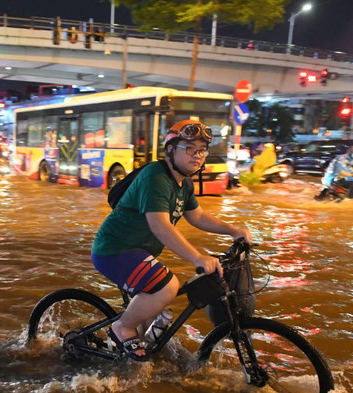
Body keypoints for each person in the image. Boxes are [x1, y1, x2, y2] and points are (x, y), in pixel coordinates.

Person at [91, 120, 252, 360]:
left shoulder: (184, 182)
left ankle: (133, 363)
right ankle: (122, 328)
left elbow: (197, 216)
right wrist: (197, 258)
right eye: (190, 149)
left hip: (140, 254)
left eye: (202, 150)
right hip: (115, 250)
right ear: (170, 149)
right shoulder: (156, 177)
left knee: (152, 337)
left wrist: (233, 231)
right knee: (167, 287)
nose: (197, 156)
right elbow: (160, 226)